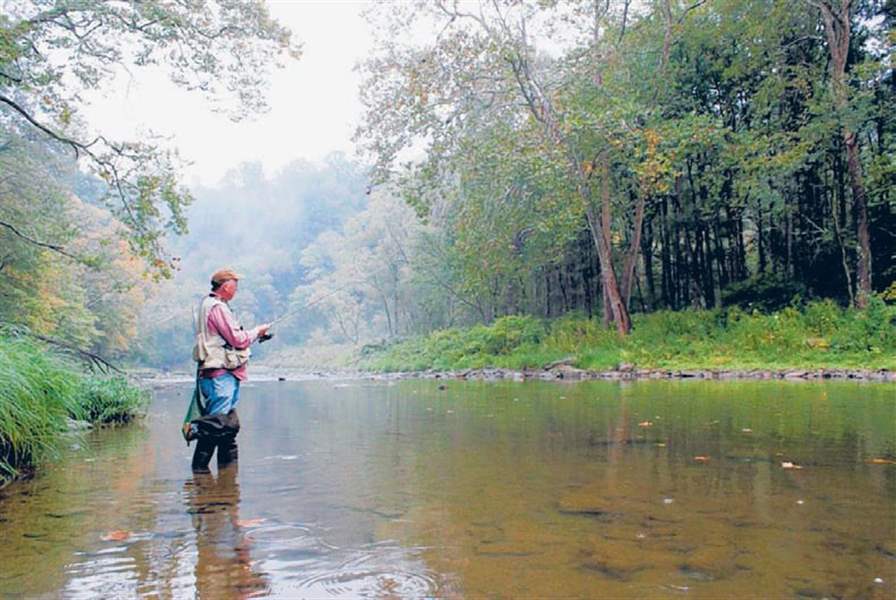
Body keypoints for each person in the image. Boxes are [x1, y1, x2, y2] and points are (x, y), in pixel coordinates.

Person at [188, 268, 270, 472]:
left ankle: (226, 482)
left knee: (226, 426)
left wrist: (254, 335)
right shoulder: (217, 308)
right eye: (235, 286)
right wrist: (256, 332)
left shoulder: (208, 305)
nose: (236, 290)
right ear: (226, 286)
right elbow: (237, 339)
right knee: (217, 425)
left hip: (219, 373)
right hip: (220, 374)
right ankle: (201, 477)